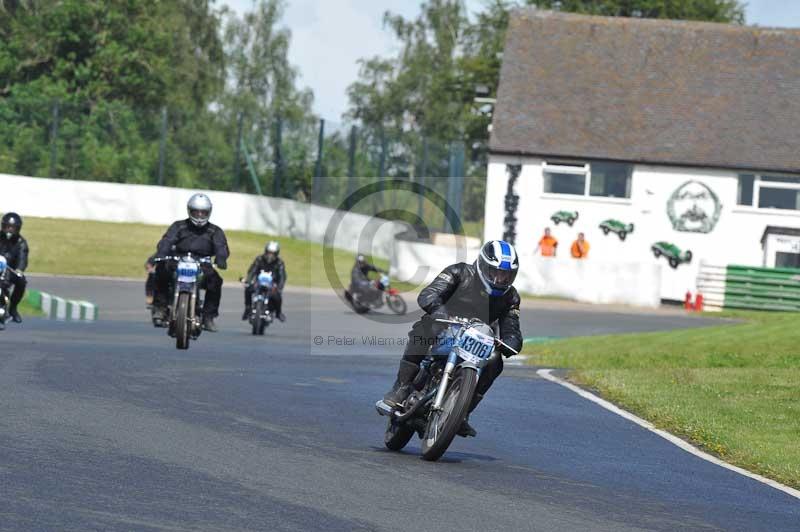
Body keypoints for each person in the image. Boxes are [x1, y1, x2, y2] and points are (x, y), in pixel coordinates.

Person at [382, 240, 523, 437]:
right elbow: (429, 294)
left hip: (476, 337)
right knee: (423, 329)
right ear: (483, 265)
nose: (500, 279)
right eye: (496, 272)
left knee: (495, 362)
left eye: (506, 275)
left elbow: (512, 328)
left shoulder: (511, 297)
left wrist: (511, 342)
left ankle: (463, 411)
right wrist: (441, 312)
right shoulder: (459, 273)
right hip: (444, 325)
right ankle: (401, 387)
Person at [151, 193, 229, 332]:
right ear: (189, 210)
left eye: (203, 212)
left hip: (203, 264)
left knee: (216, 281)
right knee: (161, 271)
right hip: (178, 260)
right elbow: (167, 240)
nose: (199, 215)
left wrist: (221, 259)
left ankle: (208, 317)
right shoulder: (179, 226)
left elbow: (221, 246)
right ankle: (160, 308)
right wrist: (161, 254)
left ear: (209, 212)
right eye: (196, 212)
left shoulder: (215, 231)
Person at [242, 240, 287, 322]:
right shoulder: (259, 259)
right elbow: (252, 270)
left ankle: (278, 313)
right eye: (269, 253)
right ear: (265, 251)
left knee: (277, 296)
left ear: (276, 254)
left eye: (273, 254)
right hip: (259, 282)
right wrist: (248, 280)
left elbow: (282, 276)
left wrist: (279, 287)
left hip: (272, 284)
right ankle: (248, 309)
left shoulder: (280, 263)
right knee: (248, 289)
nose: (270, 256)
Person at [0, 212, 29, 324]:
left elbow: (23, 258)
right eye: (7, 227)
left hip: (10, 271)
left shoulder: (21, 243)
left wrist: (19, 270)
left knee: (22, 282)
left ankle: (13, 308)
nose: (10, 230)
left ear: (18, 229)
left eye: (13, 228)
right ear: (3, 226)